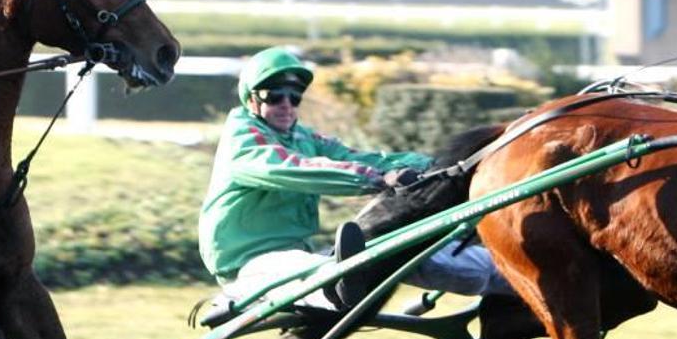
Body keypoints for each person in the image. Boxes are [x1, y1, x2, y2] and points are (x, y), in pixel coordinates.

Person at [198, 46, 510, 310]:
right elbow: (298, 168)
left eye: (294, 98)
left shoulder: (304, 136)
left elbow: (358, 157)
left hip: (298, 254)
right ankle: (338, 287)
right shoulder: (243, 139)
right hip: (249, 267)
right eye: (274, 96)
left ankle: (507, 276)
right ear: (251, 99)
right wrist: (379, 178)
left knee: (408, 252)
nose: (286, 106)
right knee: (334, 271)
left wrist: (443, 167)